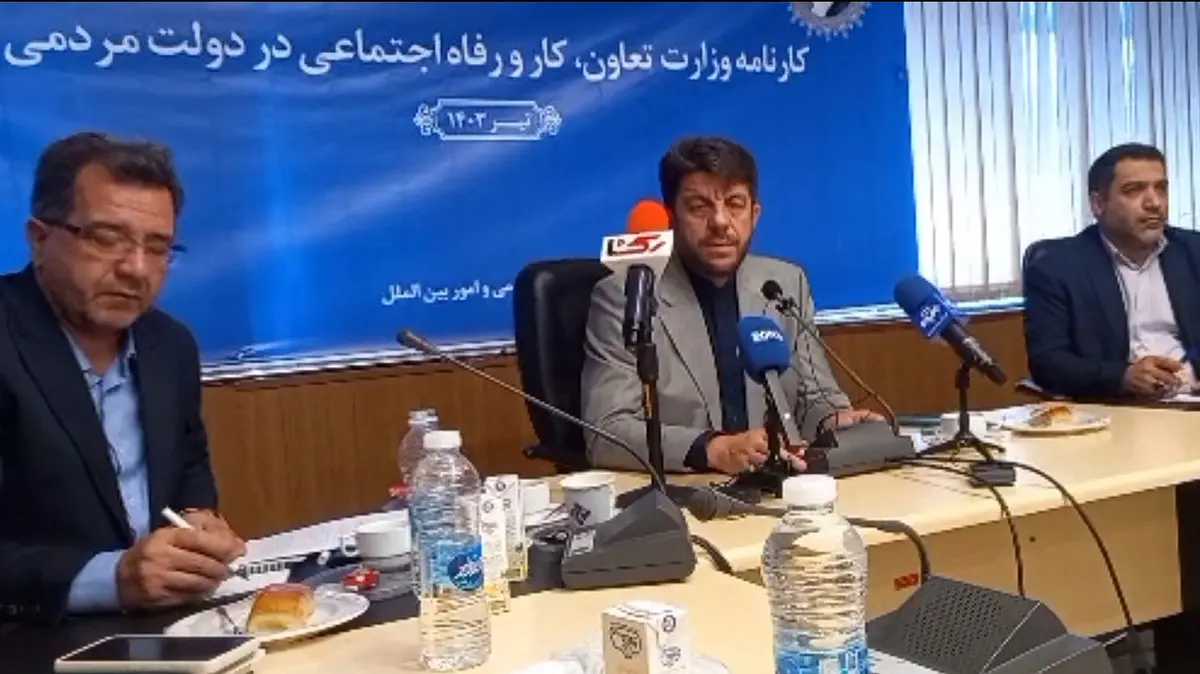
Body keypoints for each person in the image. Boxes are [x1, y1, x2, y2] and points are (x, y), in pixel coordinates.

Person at [0, 132, 245, 623]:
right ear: (40, 238)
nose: (136, 268)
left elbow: (188, 463)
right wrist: (111, 579)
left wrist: (198, 518)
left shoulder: (169, 345)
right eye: (107, 239)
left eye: (157, 247)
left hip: (166, 628)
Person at [580, 136, 880, 475]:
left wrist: (833, 420)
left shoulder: (785, 283)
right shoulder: (626, 296)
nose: (721, 222)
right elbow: (607, 431)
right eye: (699, 207)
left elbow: (814, 398)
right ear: (672, 217)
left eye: (735, 204)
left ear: (755, 214)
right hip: (688, 490)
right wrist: (713, 449)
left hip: (780, 483)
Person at [1023, 142, 1200, 400]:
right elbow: (1048, 362)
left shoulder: (1193, 251)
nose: (1154, 203)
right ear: (1098, 204)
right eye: (1134, 190)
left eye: (1161, 188)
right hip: (1116, 408)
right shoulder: (1058, 266)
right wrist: (1122, 377)